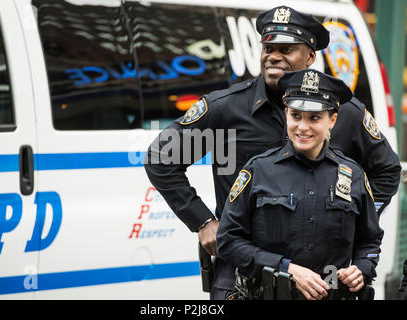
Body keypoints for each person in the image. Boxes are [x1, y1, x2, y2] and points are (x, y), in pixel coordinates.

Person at [144, 6, 400, 299]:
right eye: (268, 47)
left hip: (320, 277)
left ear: (310, 57)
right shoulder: (227, 109)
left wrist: (355, 222)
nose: (273, 56)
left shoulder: (345, 113)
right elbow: (161, 158)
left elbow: (387, 171)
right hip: (242, 270)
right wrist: (203, 221)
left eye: (287, 49)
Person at [216, 69, 384, 300]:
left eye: (314, 118)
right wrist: (285, 269)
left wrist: (362, 268)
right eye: (296, 116)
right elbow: (228, 241)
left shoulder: (353, 174)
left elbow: (370, 240)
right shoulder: (258, 170)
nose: (302, 127)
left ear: (332, 120)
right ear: (286, 114)